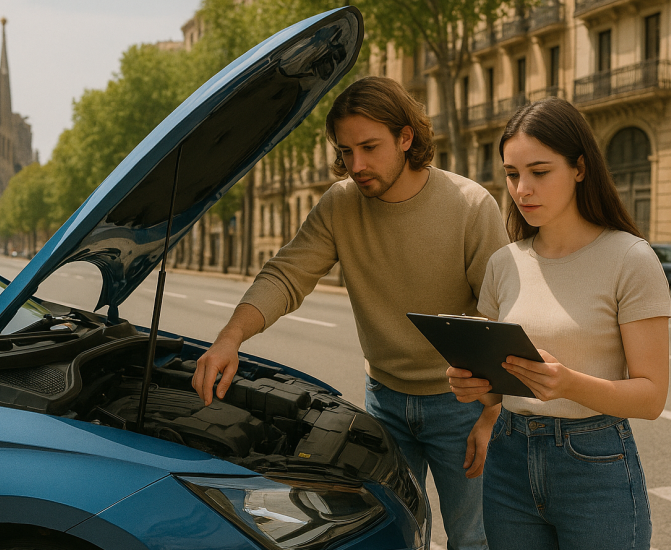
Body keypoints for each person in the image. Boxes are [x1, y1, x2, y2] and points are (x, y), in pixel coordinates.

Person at [191, 76, 509, 550]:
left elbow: (503, 315)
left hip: (462, 404)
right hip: (384, 402)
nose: (355, 165)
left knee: (473, 539)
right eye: (345, 151)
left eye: (369, 147)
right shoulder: (340, 204)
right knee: (391, 538)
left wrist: (495, 410)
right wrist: (229, 338)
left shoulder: (470, 205)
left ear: (406, 138)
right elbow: (286, 275)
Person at [448, 97, 670, 550]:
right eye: (512, 174)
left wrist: (568, 383)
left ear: (580, 168)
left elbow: (651, 398)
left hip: (594, 462)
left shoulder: (630, 258)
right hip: (508, 460)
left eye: (539, 172)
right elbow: (497, 389)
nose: (522, 189)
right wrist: (476, 386)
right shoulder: (503, 263)